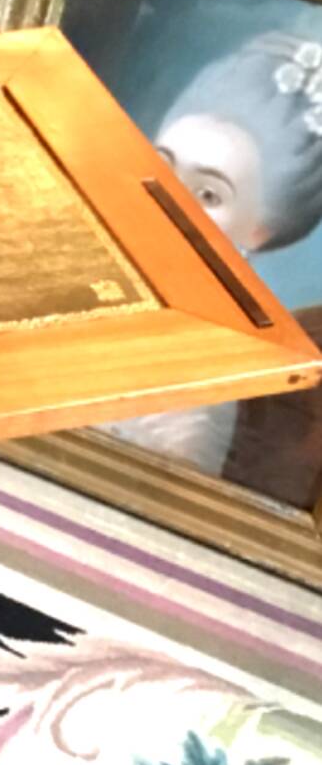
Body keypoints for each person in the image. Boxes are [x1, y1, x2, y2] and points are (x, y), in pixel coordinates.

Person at [111, 30, 322, 473]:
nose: (167, 201)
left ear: (259, 231)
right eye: (162, 167)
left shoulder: (196, 402)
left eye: (208, 195)